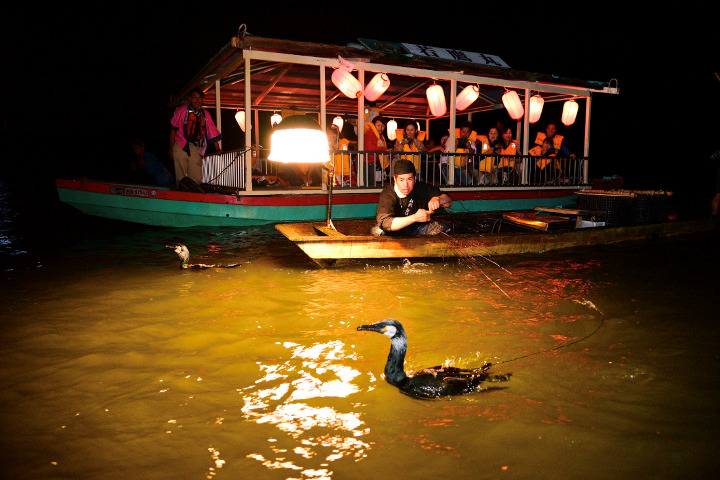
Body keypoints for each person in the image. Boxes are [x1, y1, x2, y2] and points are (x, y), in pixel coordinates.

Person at [374, 159, 453, 236]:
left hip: (415, 227)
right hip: (393, 229)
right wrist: (415, 218)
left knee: (447, 228)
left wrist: (438, 199)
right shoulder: (388, 194)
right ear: (395, 179)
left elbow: (449, 202)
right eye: (401, 180)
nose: (405, 185)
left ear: (415, 179)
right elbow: (385, 223)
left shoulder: (421, 187)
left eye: (409, 179)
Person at [169, 87, 222, 187]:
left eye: (199, 98)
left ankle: (195, 194)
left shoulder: (205, 114)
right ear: (190, 98)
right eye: (194, 97)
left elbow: (212, 131)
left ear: (202, 100)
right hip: (181, 144)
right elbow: (173, 129)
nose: (197, 100)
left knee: (196, 175)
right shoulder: (181, 111)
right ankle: (180, 193)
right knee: (180, 175)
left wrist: (217, 148)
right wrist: (171, 148)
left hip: (195, 146)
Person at [363, 116, 390, 186]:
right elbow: (370, 148)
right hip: (365, 161)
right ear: (374, 125)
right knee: (368, 183)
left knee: (370, 183)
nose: (380, 128)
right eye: (378, 125)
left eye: (383, 126)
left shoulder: (379, 136)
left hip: (371, 161)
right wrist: (384, 149)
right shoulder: (370, 133)